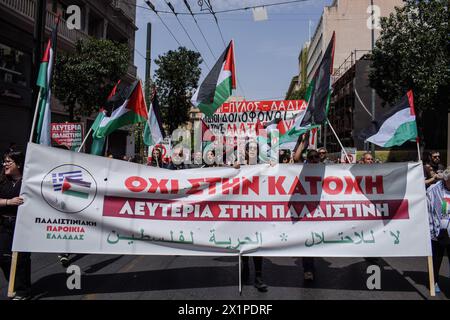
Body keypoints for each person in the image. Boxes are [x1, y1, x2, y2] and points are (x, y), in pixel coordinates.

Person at [234, 141, 268, 292]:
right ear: (246, 152)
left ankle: (258, 277)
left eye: (255, 149)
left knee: (257, 244)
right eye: (250, 149)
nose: (253, 151)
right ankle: (245, 266)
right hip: (242, 211)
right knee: (243, 242)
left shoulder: (263, 166)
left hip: (257, 211)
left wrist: (274, 167)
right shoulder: (239, 166)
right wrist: (233, 170)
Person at [0, 151, 30, 300]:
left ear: (18, 164)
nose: (5, 164)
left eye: (8, 161)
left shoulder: (28, 182)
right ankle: (16, 283)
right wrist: (8, 202)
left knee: (22, 259)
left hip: (23, 224)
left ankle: (22, 291)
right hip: (4, 224)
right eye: (4, 162)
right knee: (3, 257)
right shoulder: (2, 181)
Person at [427, 167, 450, 293]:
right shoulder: (434, 190)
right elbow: (426, 206)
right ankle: (433, 281)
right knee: (436, 259)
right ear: (446, 179)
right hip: (438, 229)